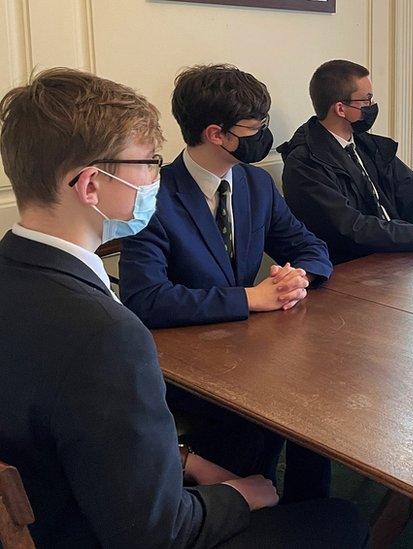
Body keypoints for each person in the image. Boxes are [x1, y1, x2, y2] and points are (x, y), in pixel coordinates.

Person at [0, 67, 366, 547]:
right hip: (93, 529)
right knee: (343, 519)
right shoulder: (108, 334)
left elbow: (79, 432)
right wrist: (238, 495)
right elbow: (154, 531)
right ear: (91, 186)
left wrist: (187, 459)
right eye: (147, 163)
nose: (156, 175)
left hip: (73, 493)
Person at [119, 64, 334, 506]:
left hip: (252, 348)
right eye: (256, 128)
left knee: (323, 389)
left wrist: (300, 276)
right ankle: (250, 507)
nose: (265, 134)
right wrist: (250, 297)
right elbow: (144, 300)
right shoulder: (153, 198)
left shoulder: (256, 182)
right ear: (216, 134)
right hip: (191, 369)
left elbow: (308, 244)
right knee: (287, 406)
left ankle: (307, 511)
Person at [277, 59, 413, 264]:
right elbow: (354, 228)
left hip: (401, 256)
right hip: (352, 269)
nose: (372, 106)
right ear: (341, 109)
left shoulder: (369, 145)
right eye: (366, 100)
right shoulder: (305, 163)